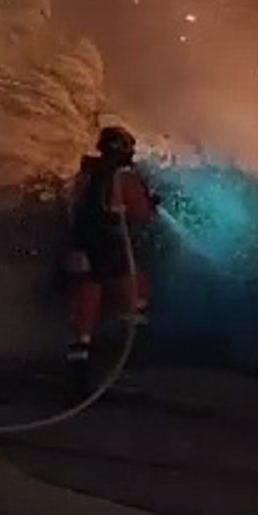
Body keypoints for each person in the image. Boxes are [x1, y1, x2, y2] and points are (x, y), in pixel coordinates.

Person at [63, 125, 159, 392]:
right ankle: (124, 359)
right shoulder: (124, 179)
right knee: (138, 297)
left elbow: (73, 207)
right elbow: (143, 214)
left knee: (84, 312)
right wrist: (150, 202)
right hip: (110, 249)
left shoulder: (85, 176)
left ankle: (78, 373)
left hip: (79, 248)